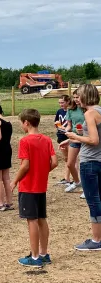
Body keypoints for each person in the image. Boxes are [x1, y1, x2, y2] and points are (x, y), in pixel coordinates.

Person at [10, 109, 57, 267]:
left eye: (21, 123)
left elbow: (25, 166)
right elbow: (55, 162)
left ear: (26, 123)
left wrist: (14, 181)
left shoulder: (25, 141)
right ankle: (44, 254)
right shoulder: (47, 139)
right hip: (41, 186)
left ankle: (35, 257)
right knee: (42, 219)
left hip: (28, 186)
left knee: (32, 221)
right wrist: (43, 171)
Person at [61, 84, 101, 251]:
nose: (77, 99)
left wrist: (75, 136)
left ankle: (97, 240)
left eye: (80, 96)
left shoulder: (90, 113)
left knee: (93, 200)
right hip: (99, 160)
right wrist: (72, 140)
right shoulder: (99, 110)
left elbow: (93, 140)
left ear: (86, 96)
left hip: (89, 161)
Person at [62, 93, 84, 194]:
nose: (75, 99)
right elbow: (70, 125)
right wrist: (66, 130)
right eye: (74, 97)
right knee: (70, 163)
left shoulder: (87, 109)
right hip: (74, 138)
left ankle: (86, 187)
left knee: (83, 164)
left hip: (86, 138)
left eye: (77, 97)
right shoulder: (71, 110)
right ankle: (76, 182)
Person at [54, 96, 71, 186]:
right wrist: (59, 126)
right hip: (61, 136)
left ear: (68, 102)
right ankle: (67, 178)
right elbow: (56, 122)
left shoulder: (71, 111)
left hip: (68, 137)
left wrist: (65, 129)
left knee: (71, 159)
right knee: (66, 158)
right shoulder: (59, 111)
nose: (61, 104)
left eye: (62, 102)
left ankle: (70, 178)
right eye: (59, 103)